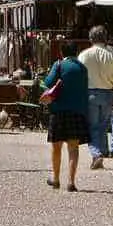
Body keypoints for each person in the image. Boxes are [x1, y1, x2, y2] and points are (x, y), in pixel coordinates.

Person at [78, 25, 113, 170]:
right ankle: (102, 152)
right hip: (107, 94)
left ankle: (96, 154)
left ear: (91, 38)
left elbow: (80, 78)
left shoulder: (84, 55)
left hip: (90, 93)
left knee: (92, 127)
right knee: (103, 125)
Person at [44, 42, 90, 192]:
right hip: (77, 111)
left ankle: (56, 179)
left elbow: (48, 82)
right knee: (73, 148)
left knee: (56, 146)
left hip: (58, 110)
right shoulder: (82, 68)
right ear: (76, 51)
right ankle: (71, 181)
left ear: (61, 52)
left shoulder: (59, 65)